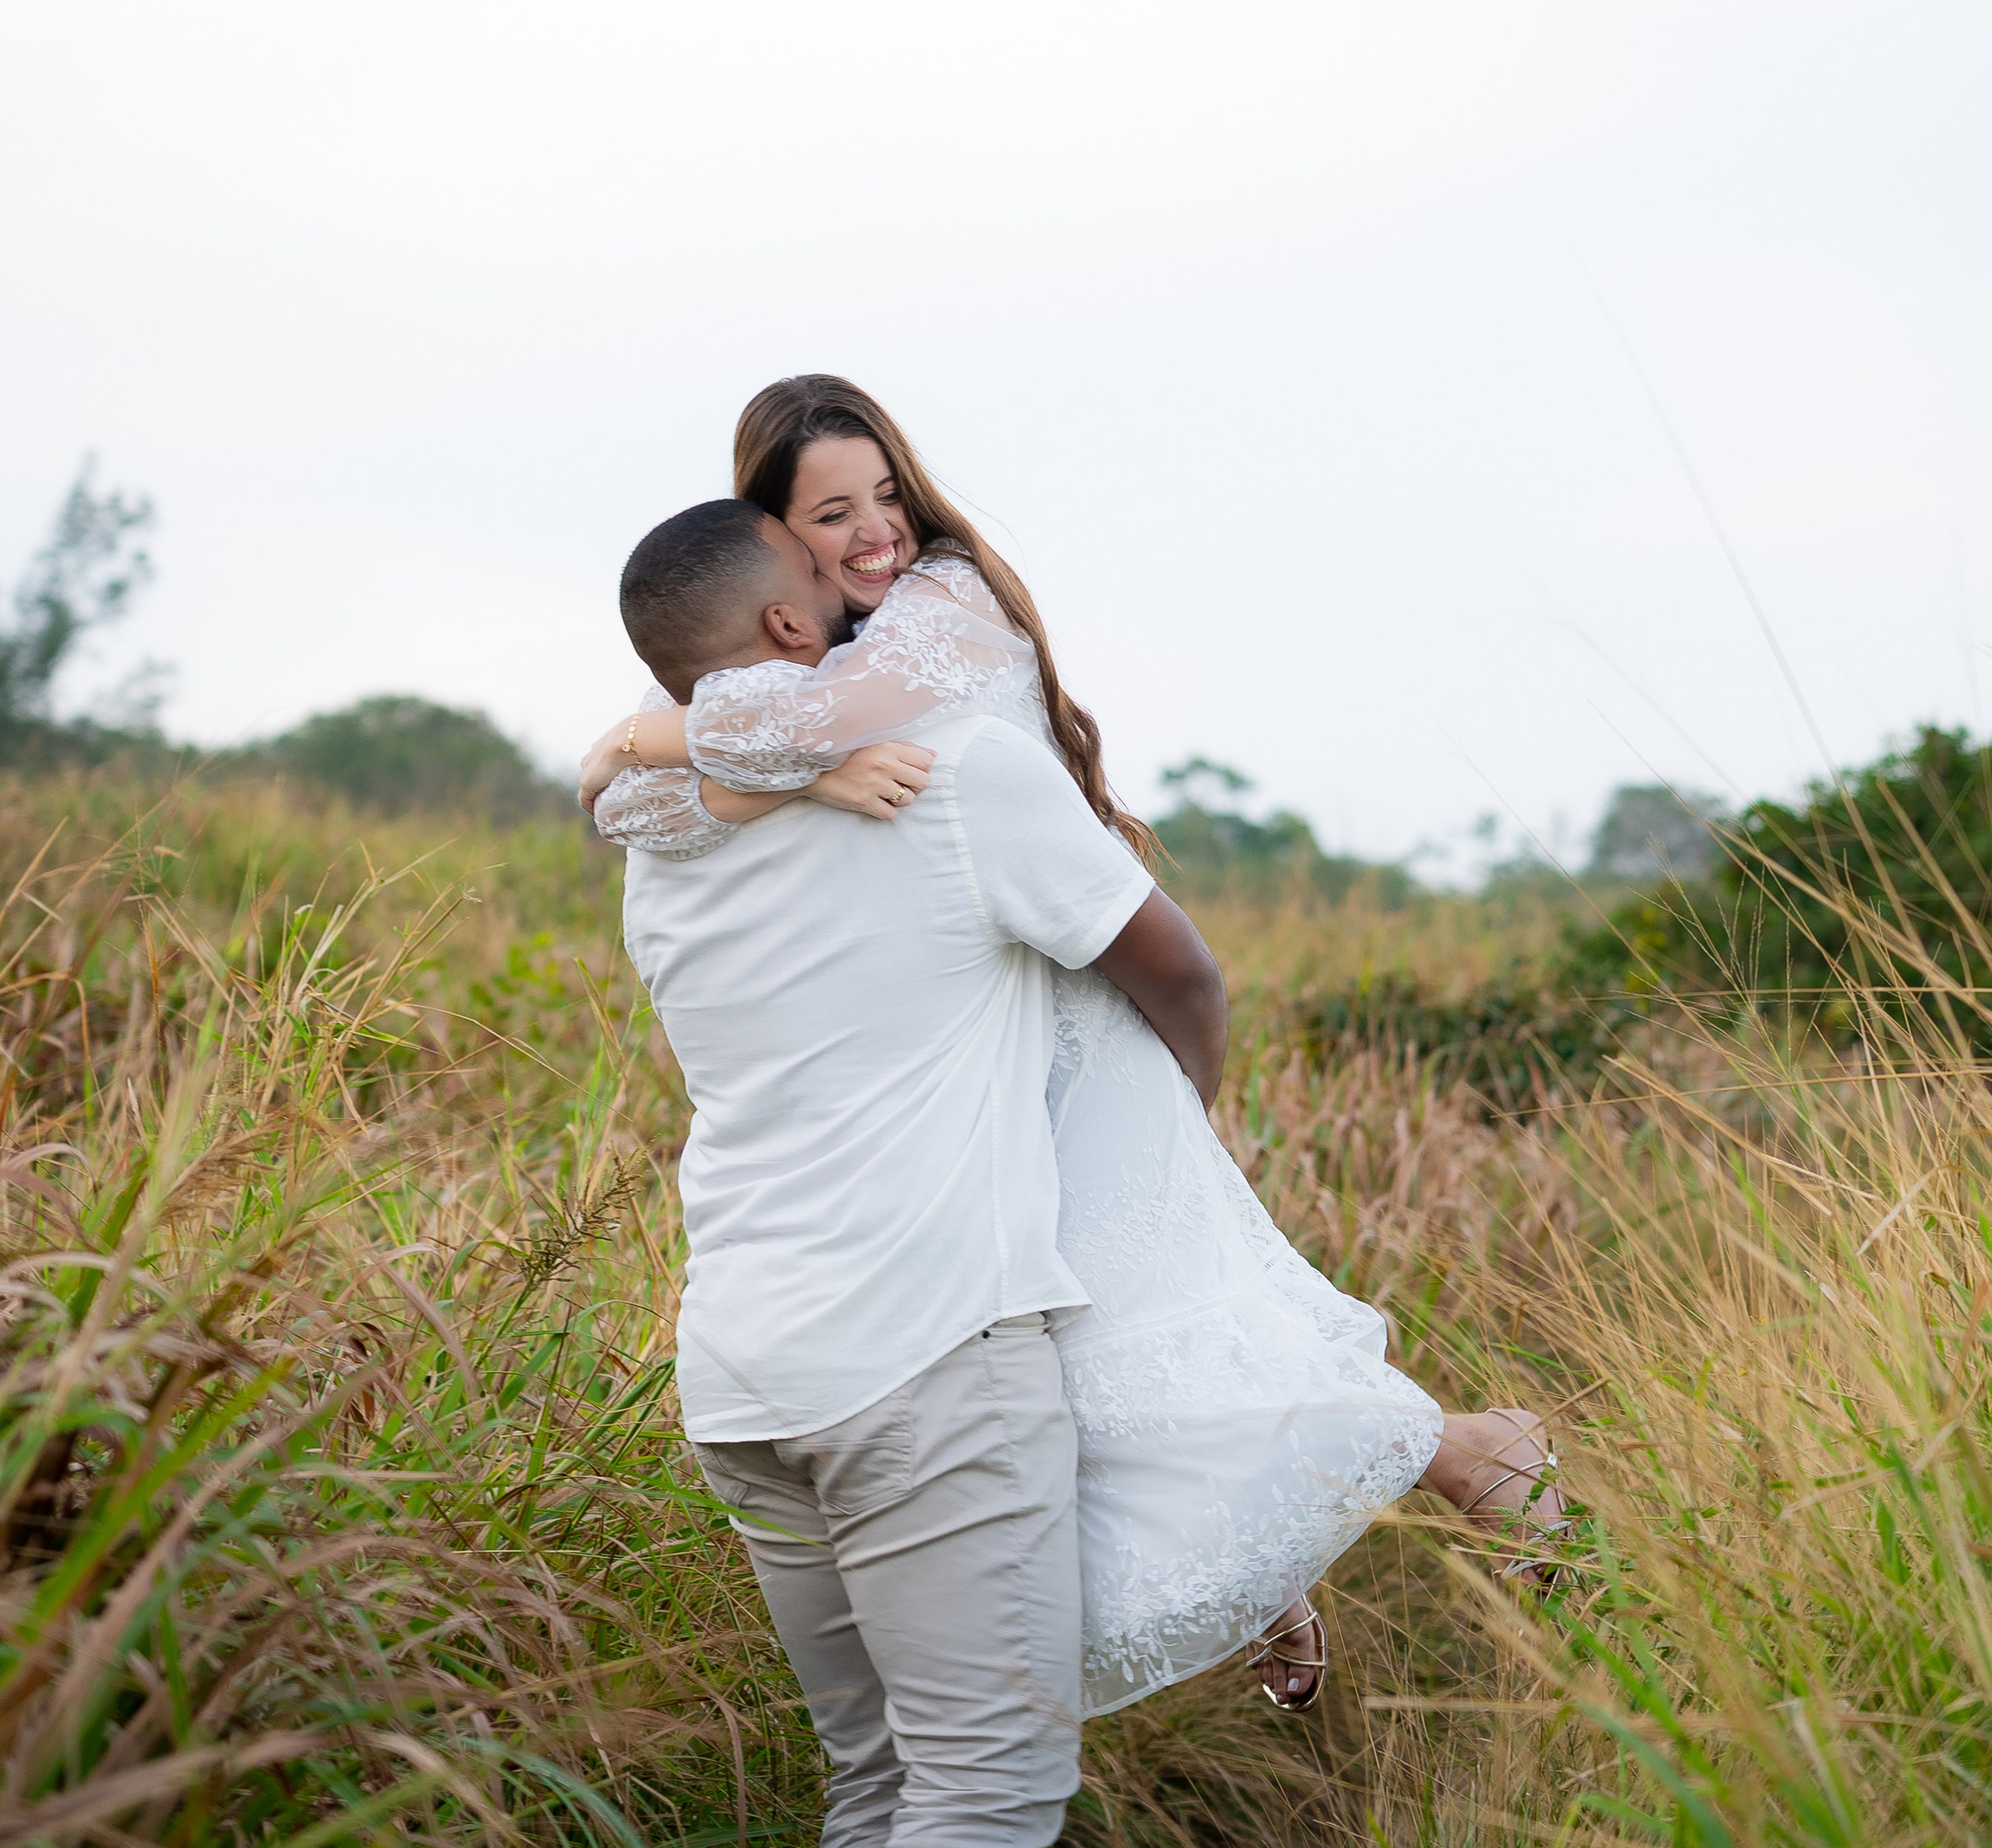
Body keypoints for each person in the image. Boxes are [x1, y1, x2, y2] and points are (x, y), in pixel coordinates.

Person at [587, 379, 1562, 1727]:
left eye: (887, 493)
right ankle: (1278, 1563)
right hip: (969, 1030)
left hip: (1069, 1010)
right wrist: (734, 762)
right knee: (1087, 1381)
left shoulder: (939, 607)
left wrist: (652, 731)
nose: (876, 532)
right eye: (832, 513)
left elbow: (678, 760)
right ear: (777, 548)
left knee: (1129, 1340)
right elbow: (633, 803)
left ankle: (1471, 1453)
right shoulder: (802, 662)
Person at [615, 492, 1237, 1848]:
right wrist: (1168, 1179)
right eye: (840, 590)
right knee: (984, 1783)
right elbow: (1181, 971)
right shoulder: (960, 772)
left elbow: (691, 772)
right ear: (794, 645)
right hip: (929, 1362)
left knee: (883, 1779)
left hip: (747, 1373)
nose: (881, 606)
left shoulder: (658, 837)